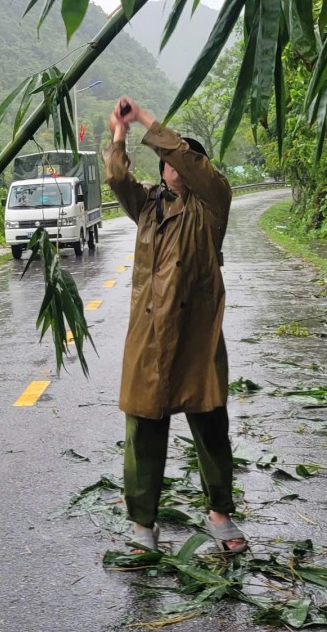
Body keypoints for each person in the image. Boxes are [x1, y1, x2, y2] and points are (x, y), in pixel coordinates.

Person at [103, 96, 247, 554]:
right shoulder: (147, 207)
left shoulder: (211, 207)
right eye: (166, 161)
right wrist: (120, 133)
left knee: (210, 427)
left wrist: (145, 117)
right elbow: (117, 177)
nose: (172, 166)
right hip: (148, 339)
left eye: (180, 158)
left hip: (196, 338)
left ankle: (220, 513)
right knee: (144, 430)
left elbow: (195, 165)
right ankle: (142, 525)